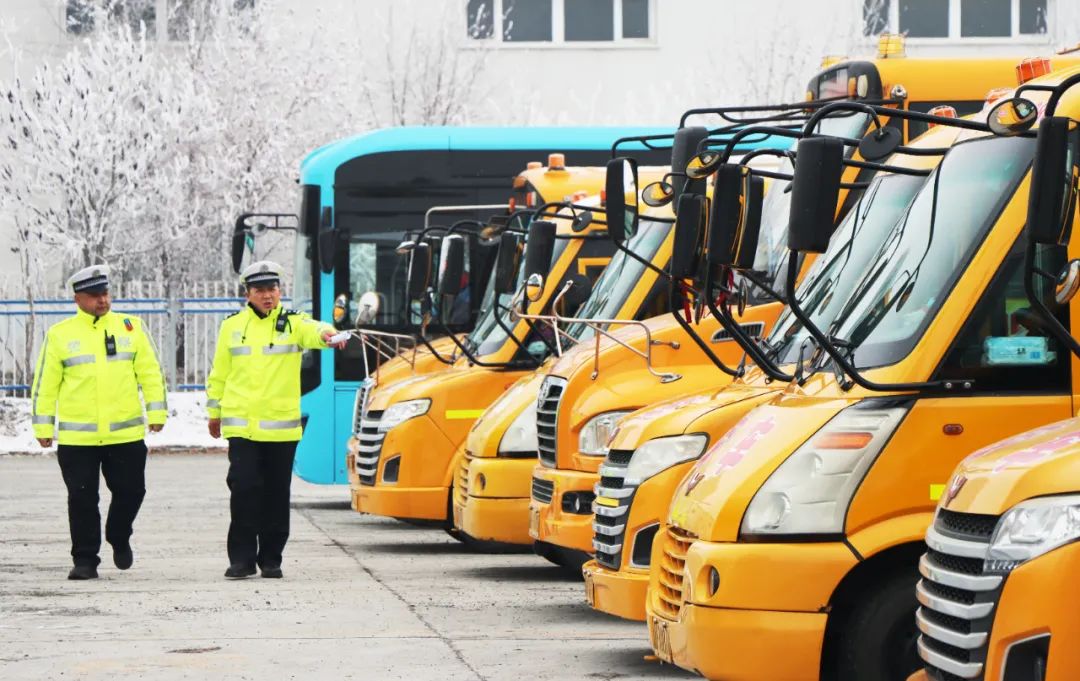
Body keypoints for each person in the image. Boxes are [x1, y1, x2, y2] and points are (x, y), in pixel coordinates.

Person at [206, 261, 346, 579]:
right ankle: (241, 559)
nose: (268, 296)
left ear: (279, 291)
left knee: (275, 494)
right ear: (248, 294)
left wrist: (329, 335)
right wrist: (214, 412)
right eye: (260, 290)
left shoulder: (292, 323)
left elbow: (315, 330)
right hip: (242, 428)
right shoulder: (232, 327)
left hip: (281, 430)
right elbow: (219, 374)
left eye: (272, 289)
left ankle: (271, 558)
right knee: (243, 489)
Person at [30, 264, 167, 580]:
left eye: (105, 293)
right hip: (79, 439)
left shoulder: (131, 327)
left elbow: (151, 372)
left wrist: (157, 413)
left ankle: (118, 534)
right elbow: (45, 384)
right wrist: (42, 426)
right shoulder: (60, 335)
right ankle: (85, 560)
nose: (102, 300)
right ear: (78, 298)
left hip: (125, 434)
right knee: (81, 499)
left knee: (132, 491)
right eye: (94, 296)